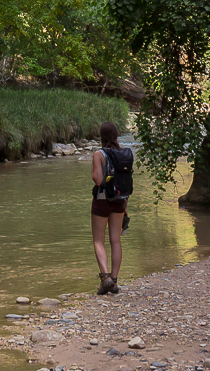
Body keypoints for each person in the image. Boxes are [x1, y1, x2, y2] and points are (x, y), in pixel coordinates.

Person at [90, 120, 133, 296]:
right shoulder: (125, 154)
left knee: (99, 240)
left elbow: (98, 180)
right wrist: (126, 207)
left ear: (101, 136)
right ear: (116, 135)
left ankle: (105, 279)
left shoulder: (99, 154)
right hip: (120, 201)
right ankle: (114, 281)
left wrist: (94, 168)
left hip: (101, 200)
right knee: (116, 240)